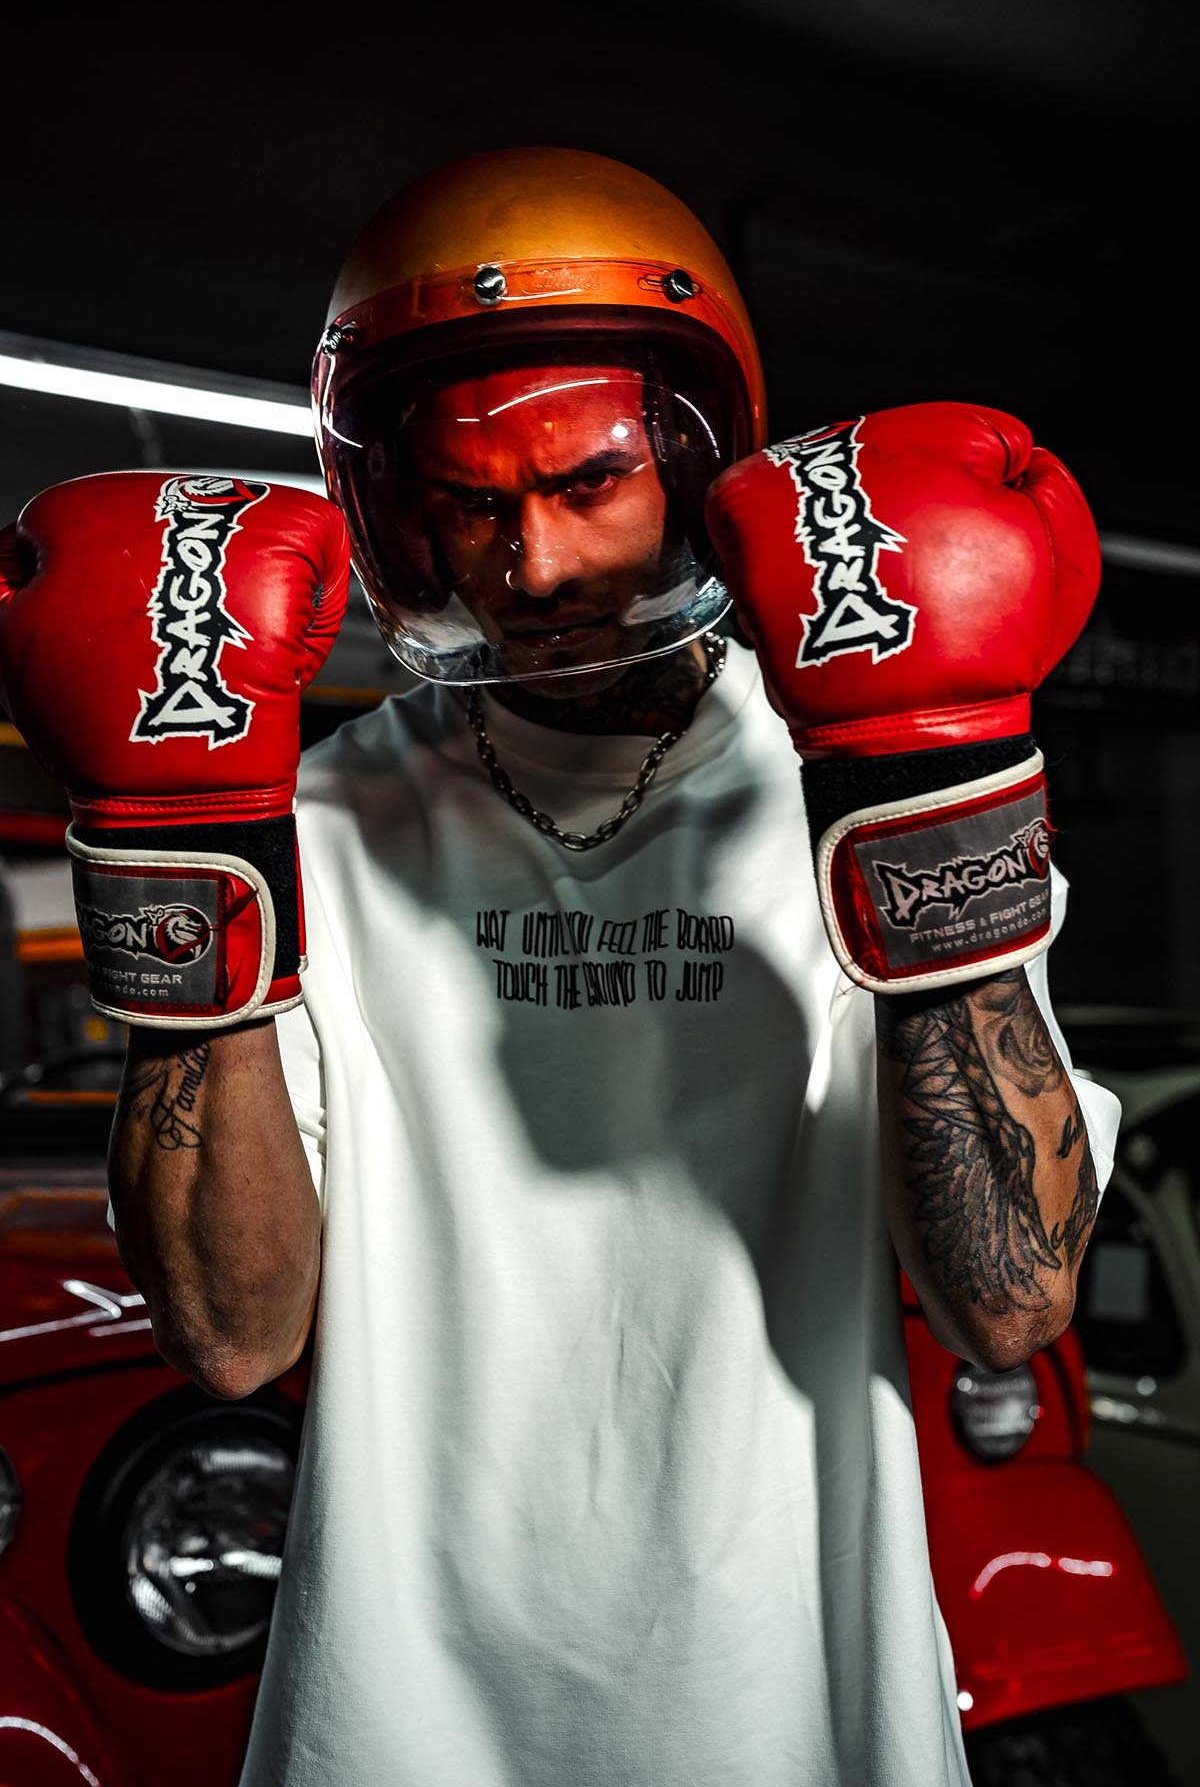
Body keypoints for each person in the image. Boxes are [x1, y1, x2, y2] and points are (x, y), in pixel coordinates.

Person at [0, 148, 1118, 1787]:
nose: (531, 568)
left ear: (696, 459)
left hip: (798, 1723)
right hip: (391, 1735)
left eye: (589, 482)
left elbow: (1010, 1300)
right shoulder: (314, 823)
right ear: (396, 510)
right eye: (472, 503)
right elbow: (230, 1338)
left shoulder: (869, 796)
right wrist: (179, 842)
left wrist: (923, 791)